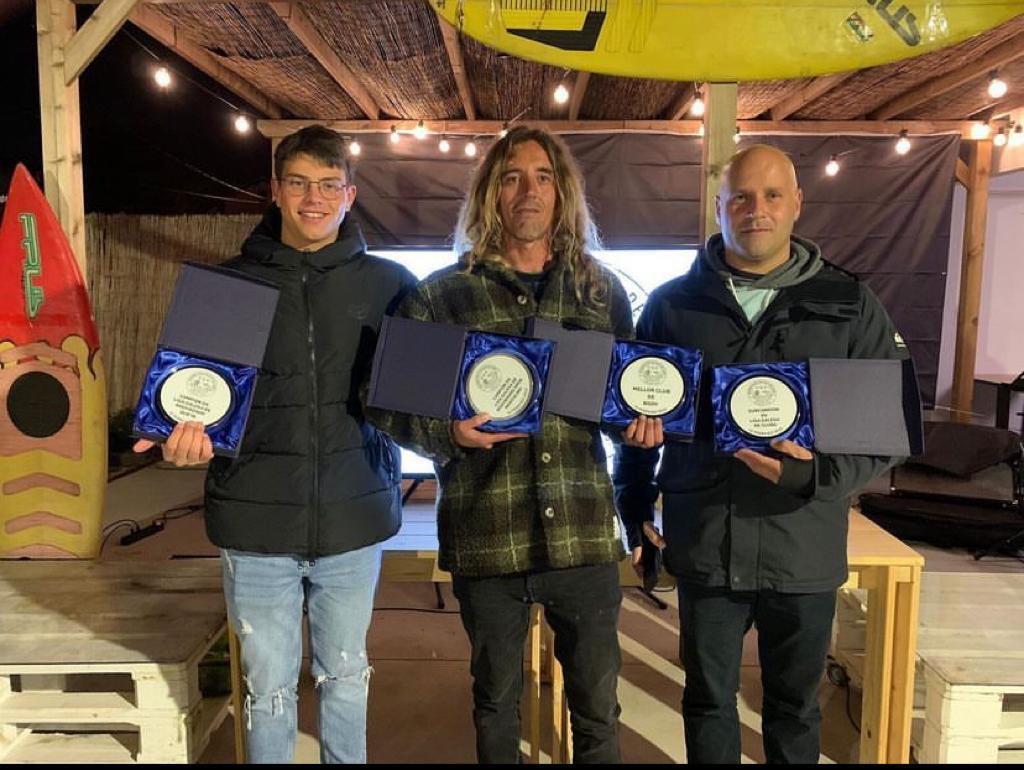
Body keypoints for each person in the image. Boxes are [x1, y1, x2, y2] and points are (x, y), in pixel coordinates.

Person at [614, 144, 909, 764]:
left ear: (797, 203)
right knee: (707, 701)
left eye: (773, 195)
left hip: (801, 547)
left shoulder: (851, 305)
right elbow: (637, 406)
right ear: (718, 208)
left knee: (795, 711)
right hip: (705, 545)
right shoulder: (672, 304)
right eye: (741, 197)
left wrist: (811, 474)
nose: (757, 210)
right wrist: (632, 497)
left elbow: (884, 434)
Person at [134, 125, 416, 764]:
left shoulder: (390, 285)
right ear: (275, 190)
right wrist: (181, 439)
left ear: (349, 194)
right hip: (255, 523)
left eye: (327, 186)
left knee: (346, 678)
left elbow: (413, 396)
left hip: (353, 517)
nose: (312, 199)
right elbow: (190, 398)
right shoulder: (228, 287)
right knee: (266, 690)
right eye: (298, 184)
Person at [368, 126, 649, 763]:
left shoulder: (600, 294)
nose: (529, 191)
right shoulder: (441, 295)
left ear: (563, 193)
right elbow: (386, 404)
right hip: (487, 533)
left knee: (598, 709)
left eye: (543, 177)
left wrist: (636, 422)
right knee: (495, 703)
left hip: (581, 535)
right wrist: (447, 435)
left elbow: (619, 402)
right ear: (491, 193)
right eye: (513, 177)